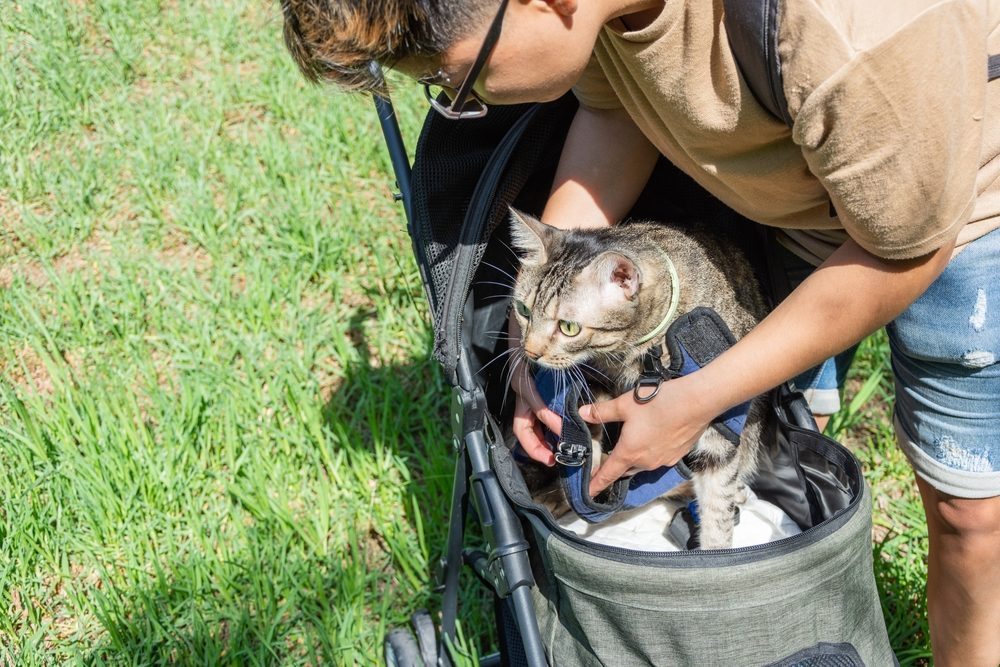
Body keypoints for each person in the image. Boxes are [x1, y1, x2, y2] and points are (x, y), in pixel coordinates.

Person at [278, 0, 1000, 663]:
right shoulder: (593, 20)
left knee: (970, 517)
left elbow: (905, 248)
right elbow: (616, 111)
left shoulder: (847, 32)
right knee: (781, 446)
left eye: (456, 80)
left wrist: (696, 399)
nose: (468, 103)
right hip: (801, 205)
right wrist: (532, 333)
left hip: (959, 219)